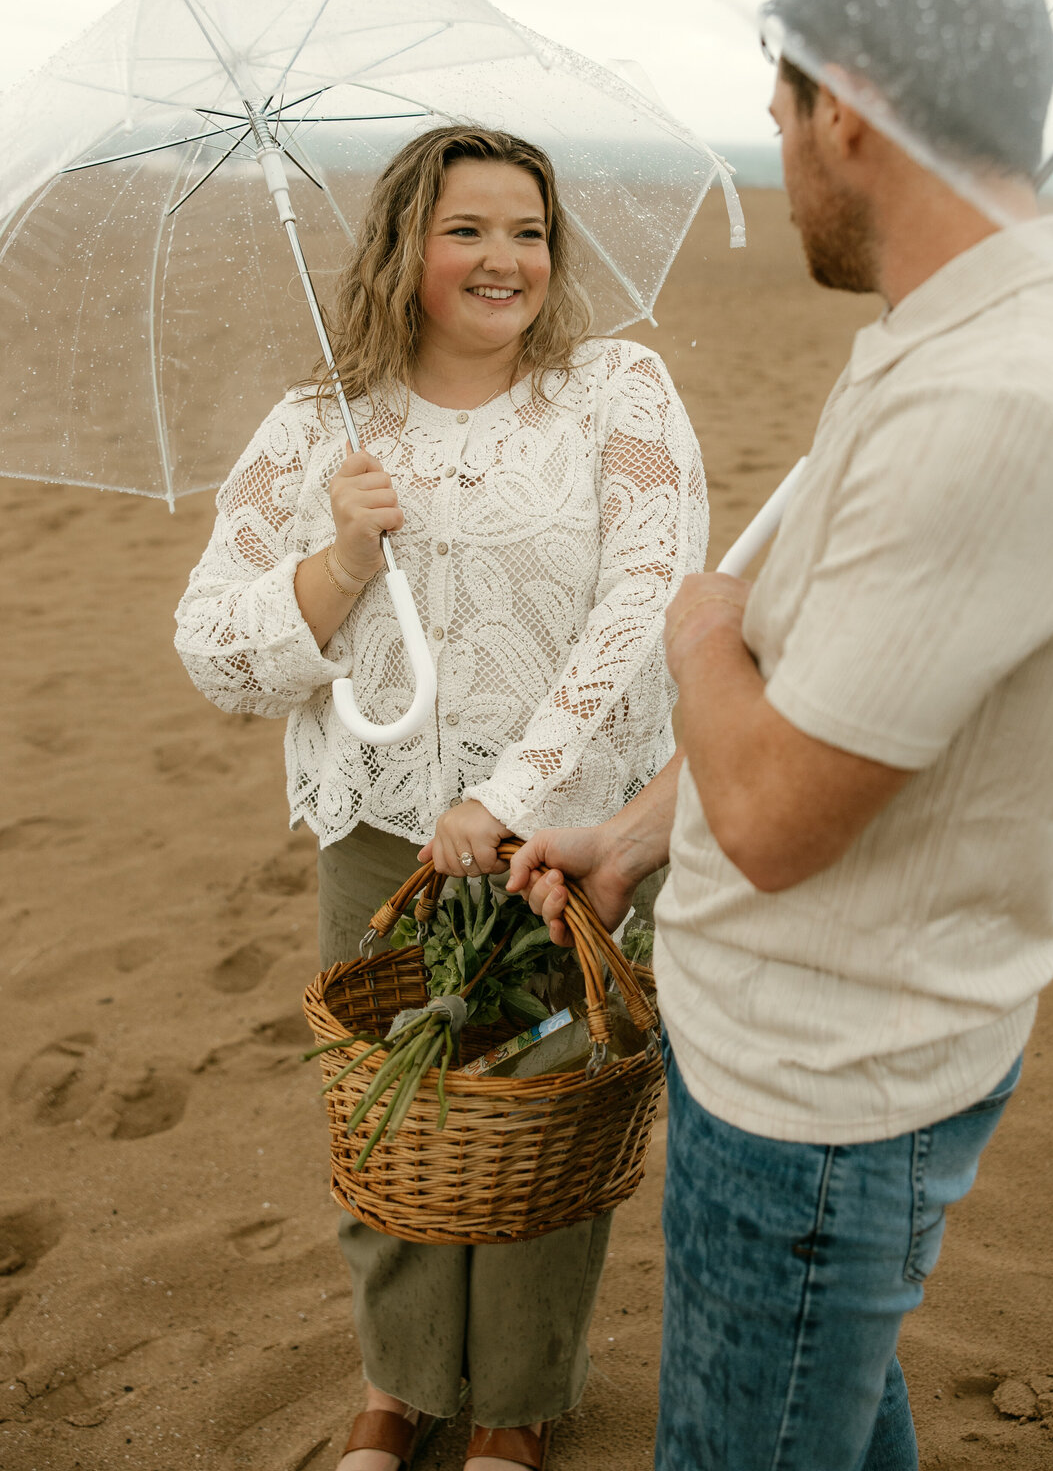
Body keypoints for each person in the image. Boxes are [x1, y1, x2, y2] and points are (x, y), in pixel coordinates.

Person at [507, 0, 1053, 1471]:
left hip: (823, 1100)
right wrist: (627, 841)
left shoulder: (999, 402)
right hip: (810, 1058)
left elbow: (779, 810)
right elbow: (822, 703)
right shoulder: (948, 341)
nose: (776, 146)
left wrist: (695, 640)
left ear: (855, 106)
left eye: (783, 110)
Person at [174, 124, 707, 1471]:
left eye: (528, 231)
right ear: (407, 245)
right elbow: (216, 653)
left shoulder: (612, 391)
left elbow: (648, 597)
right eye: (468, 229)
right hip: (377, 829)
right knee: (395, 1114)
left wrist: (513, 792)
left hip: (568, 836)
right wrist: (344, 555)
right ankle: (402, 1384)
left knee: (544, 1112)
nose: (504, 259)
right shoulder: (317, 427)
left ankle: (517, 1406)